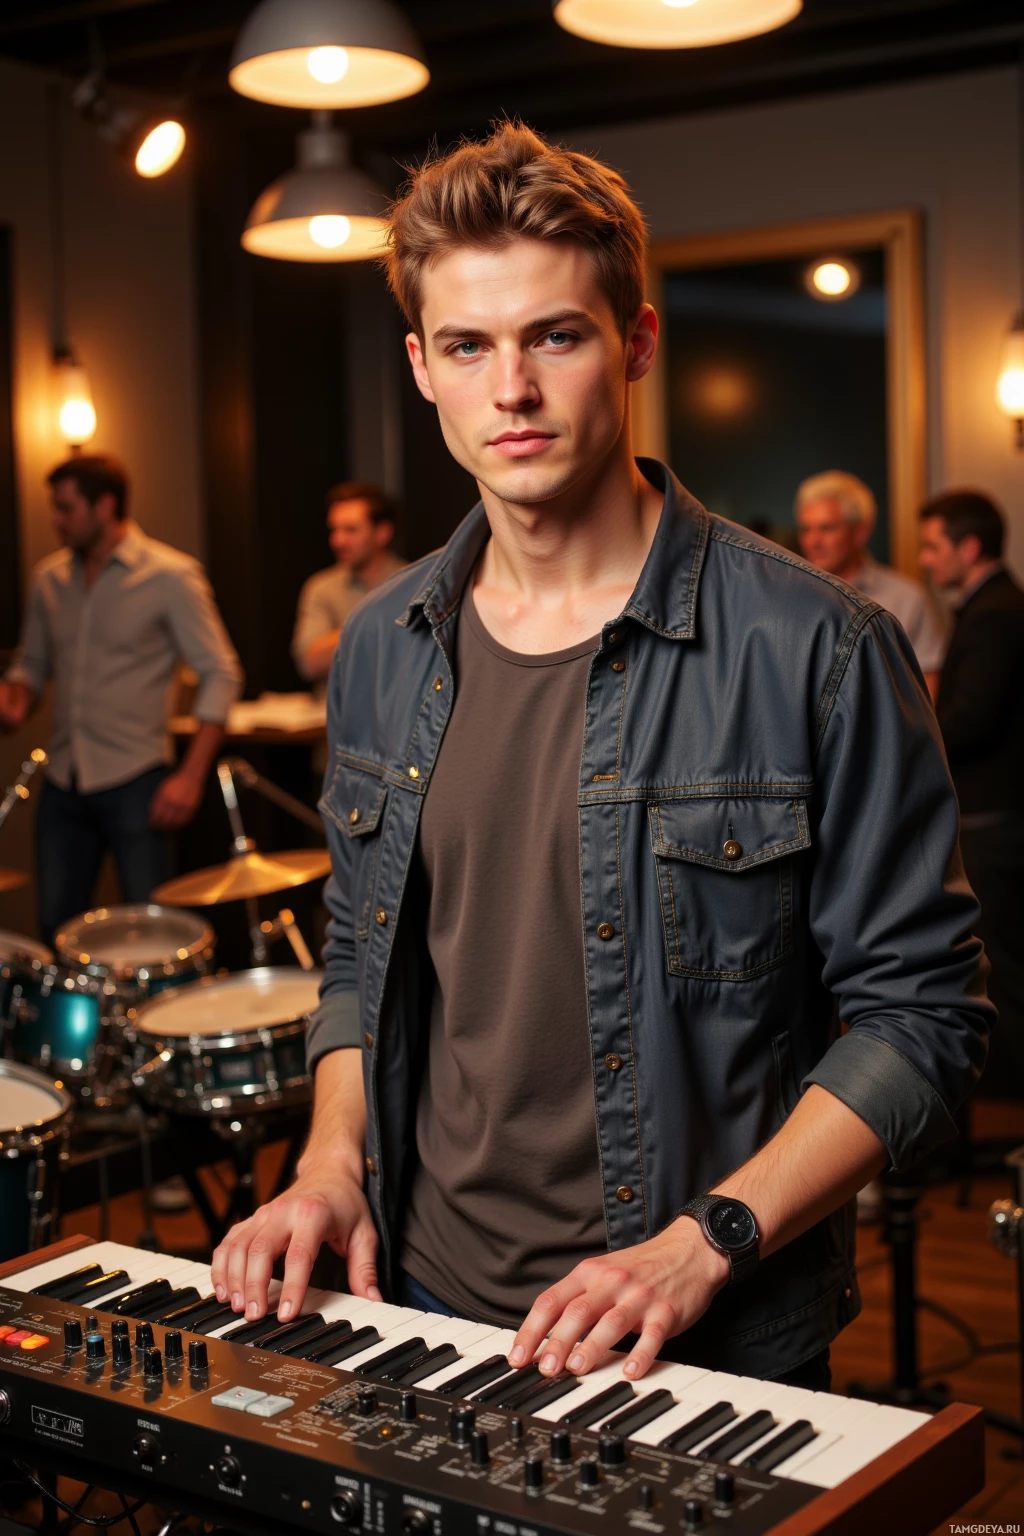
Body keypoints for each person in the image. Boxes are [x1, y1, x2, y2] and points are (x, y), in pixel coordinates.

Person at [212, 123, 990, 1390]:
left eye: (553, 337)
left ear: (632, 342)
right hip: (421, 1295)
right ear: (422, 368)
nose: (509, 390)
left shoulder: (819, 647)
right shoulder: (377, 647)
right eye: (468, 346)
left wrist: (705, 1244)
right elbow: (360, 954)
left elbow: (926, 1017)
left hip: (695, 1333)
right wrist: (325, 1164)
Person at [0, 454, 242, 946]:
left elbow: (221, 672)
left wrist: (190, 777)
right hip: (65, 779)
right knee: (56, 931)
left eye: (66, 509)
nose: (55, 520)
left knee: (153, 935)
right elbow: (32, 667)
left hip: (138, 779)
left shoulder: (170, 575)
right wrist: (15, 700)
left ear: (105, 505)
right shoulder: (49, 580)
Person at [920, 489, 1024, 1095]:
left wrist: (909, 736)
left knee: (1006, 977)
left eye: (935, 546)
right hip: (995, 818)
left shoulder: (996, 613)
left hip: (995, 822)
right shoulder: (990, 607)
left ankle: (1008, 1148)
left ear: (970, 546)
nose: (927, 560)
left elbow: (971, 721)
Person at [795, 470, 947, 699]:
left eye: (827, 528)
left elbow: (927, 692)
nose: (813, 541)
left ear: (860, 533)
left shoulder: (906, 598)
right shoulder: (791, 595)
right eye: (806, 529)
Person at [291, 482, 407, 691]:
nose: (338, 540)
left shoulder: (415, 582)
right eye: (334, 530)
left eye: (351, 530)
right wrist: (375, 620)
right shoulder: (322, 587)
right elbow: (309, 663)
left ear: (382, 533)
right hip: (336, 716)